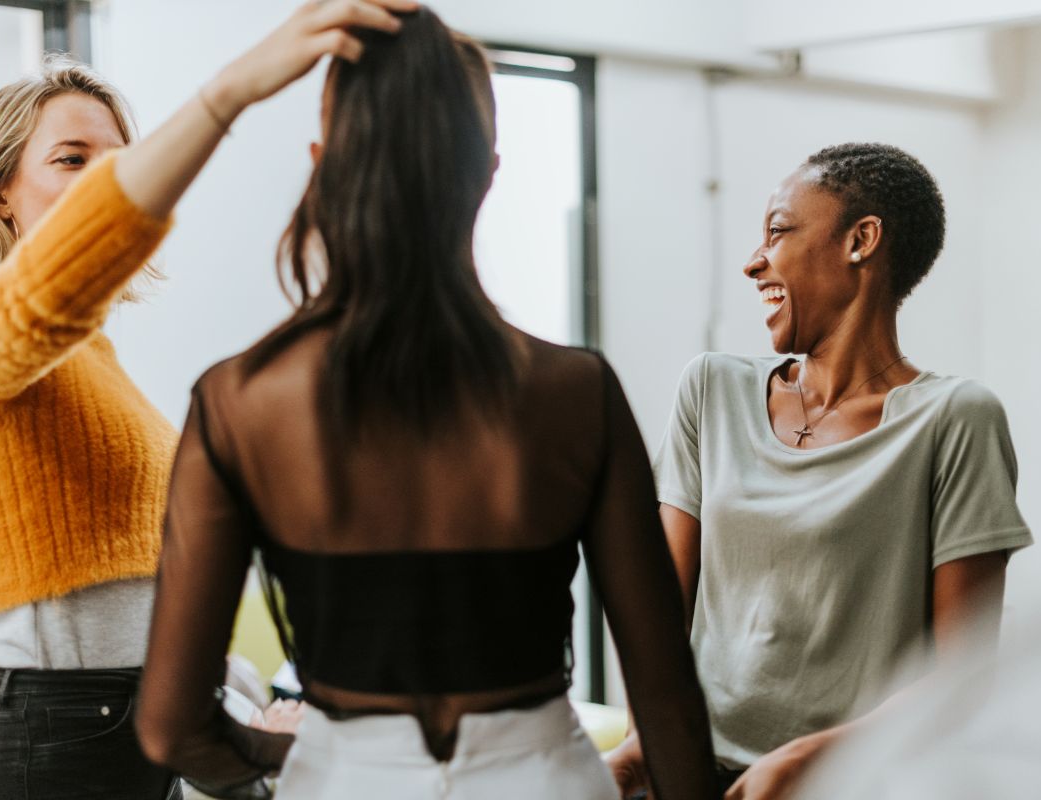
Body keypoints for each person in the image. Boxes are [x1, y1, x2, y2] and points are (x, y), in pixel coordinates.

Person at [135, 6, 720, 800]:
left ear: (321, 163)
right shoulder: (578, 391)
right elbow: (668, 702)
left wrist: (304, 759)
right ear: (485, 171)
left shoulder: (239, 400)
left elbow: (170, 727)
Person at [0, 1, 399, 795]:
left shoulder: (95, 361)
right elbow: (39, 296)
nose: (104, 180)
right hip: (56, 747)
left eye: (120, 159)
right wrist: (231, 92)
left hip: (135, 739)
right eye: (72, 159)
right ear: (1, 191)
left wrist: (237, 717)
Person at [604, 143, 1033, 800]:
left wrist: (805, 763)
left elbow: (960, 678)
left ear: (860, 241)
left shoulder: (955, 419)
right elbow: (657, 621)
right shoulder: (711, 390)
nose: (754, 262)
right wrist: (646, 749)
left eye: (777, 231)